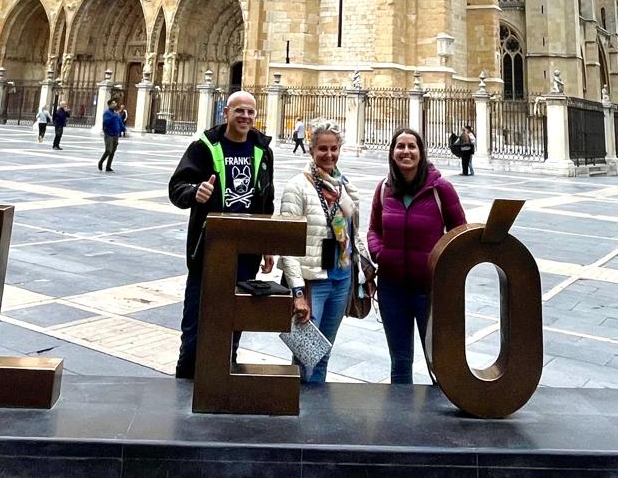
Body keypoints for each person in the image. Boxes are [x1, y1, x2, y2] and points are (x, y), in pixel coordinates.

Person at [168, 89, 275, 379]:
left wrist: (267, 245)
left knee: (234, 323)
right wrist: (195, 192)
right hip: (208, 250)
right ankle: (186, 382)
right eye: (239, 110)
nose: (245, 116)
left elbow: (267, 201)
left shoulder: (263, 152)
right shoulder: (204, 147)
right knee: (196, 323)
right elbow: (176, 188)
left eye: (250, 111)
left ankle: (222, 378)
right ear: (225, 113)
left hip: (245, 253)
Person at [368, 127, 466, 385]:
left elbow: (459, 233)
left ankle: (440, 423)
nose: (406, 151)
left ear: (422, 153)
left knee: (438, 362)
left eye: (412, 146)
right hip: (392, 289)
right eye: (400, 146)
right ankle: (400, 421)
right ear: (392, 153)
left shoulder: (440, 188)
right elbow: (374, 229)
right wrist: (380, 253)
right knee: (399, 363)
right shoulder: (384, 189)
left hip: (429, 290)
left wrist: (441, 268)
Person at [278, 118, 359, 385]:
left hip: (341, 278)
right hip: (314, 282)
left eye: (334, 148)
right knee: (305, 354)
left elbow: (353, 230)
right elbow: (287, 245)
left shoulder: (344, 185)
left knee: (323, 351)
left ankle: (318, 409)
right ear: (311, 150)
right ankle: (301, 410)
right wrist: (297, 292)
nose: (329, 154)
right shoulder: (297, 187)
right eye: (323, 149)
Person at [97, 99, 125, 171]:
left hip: (116, 134)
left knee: (113, 151)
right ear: (109, 105)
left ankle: (108, 166)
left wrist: (123, 128)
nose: (115, 104)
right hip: (109, 134)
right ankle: (100, 162)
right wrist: (113, 117)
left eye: (115, 103)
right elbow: (106, 122)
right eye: (113, 103)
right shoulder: (107, 113)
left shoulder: (116, 114)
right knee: (108, 150)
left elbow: (120, 122)